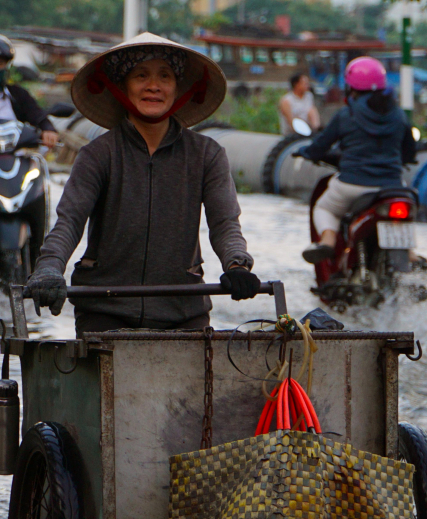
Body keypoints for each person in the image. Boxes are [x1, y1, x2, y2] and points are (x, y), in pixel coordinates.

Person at [25, 33, 259, 336]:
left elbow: (225, 223)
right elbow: (69, 222)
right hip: (104, 309)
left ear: (178, 89)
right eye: (141, 75)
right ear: (122, 86)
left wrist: (237, 265)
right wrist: (49, 268)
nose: (154, 86)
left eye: (165, 76)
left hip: (183, 310)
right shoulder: (98, 154)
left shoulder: (206, 154)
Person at [297, 56, 416, 264]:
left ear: (350, 87)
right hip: (391, 186)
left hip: (352, 184)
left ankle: (328, 240)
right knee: (404, 206)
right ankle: (411, 254)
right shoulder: (398, 115)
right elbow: (409, 154)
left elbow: (321, 146)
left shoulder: (347, 114)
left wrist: (307, 152)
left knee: (324, 207)